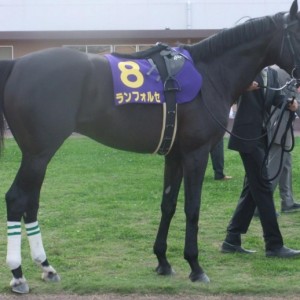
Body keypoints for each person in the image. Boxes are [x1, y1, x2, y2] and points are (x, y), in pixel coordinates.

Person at [221, 67, 300, 258]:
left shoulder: (271, 74)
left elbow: (274, 98)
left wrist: (288, 102)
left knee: (252, 188)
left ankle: (231, 240)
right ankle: (274, 245)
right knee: (263, 186)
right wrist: (243, 88)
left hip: (262, 135)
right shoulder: (246, 71)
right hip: (246, 136)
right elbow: (227, 91)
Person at [268, 66, 300, 213]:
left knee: (285, 163)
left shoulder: (286, 72)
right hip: (278, 125)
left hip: (283, 124)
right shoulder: (283, 73)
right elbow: (290, 101)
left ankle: (287, 201)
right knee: (275, 166)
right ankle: (260, 205)